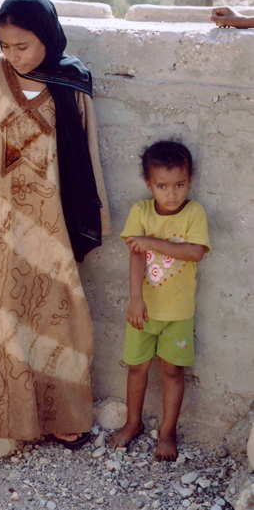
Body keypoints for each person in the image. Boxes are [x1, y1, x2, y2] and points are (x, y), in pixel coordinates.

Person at [0, 0, 111, 450]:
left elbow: (86, 156)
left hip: (48, 222)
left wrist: (92, 212)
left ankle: (63, 415)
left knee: (56, 312)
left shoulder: (69, 84)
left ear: (48, 38)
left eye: (23, 45)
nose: (12, 56)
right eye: (5, 45)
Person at [110, 140, 210, 461]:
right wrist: (135, 299)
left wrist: (152, 241)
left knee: (172, 372)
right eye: (162, 186)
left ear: (189, 181)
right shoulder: (140, 211)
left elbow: (195, 252)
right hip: (144, 311)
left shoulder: (194, 213)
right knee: (136, 368)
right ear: (148, 184)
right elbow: (136, 257)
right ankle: (133, 423)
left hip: (178, 314)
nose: (171, 194)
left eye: (179, 185)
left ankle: (167, 432)